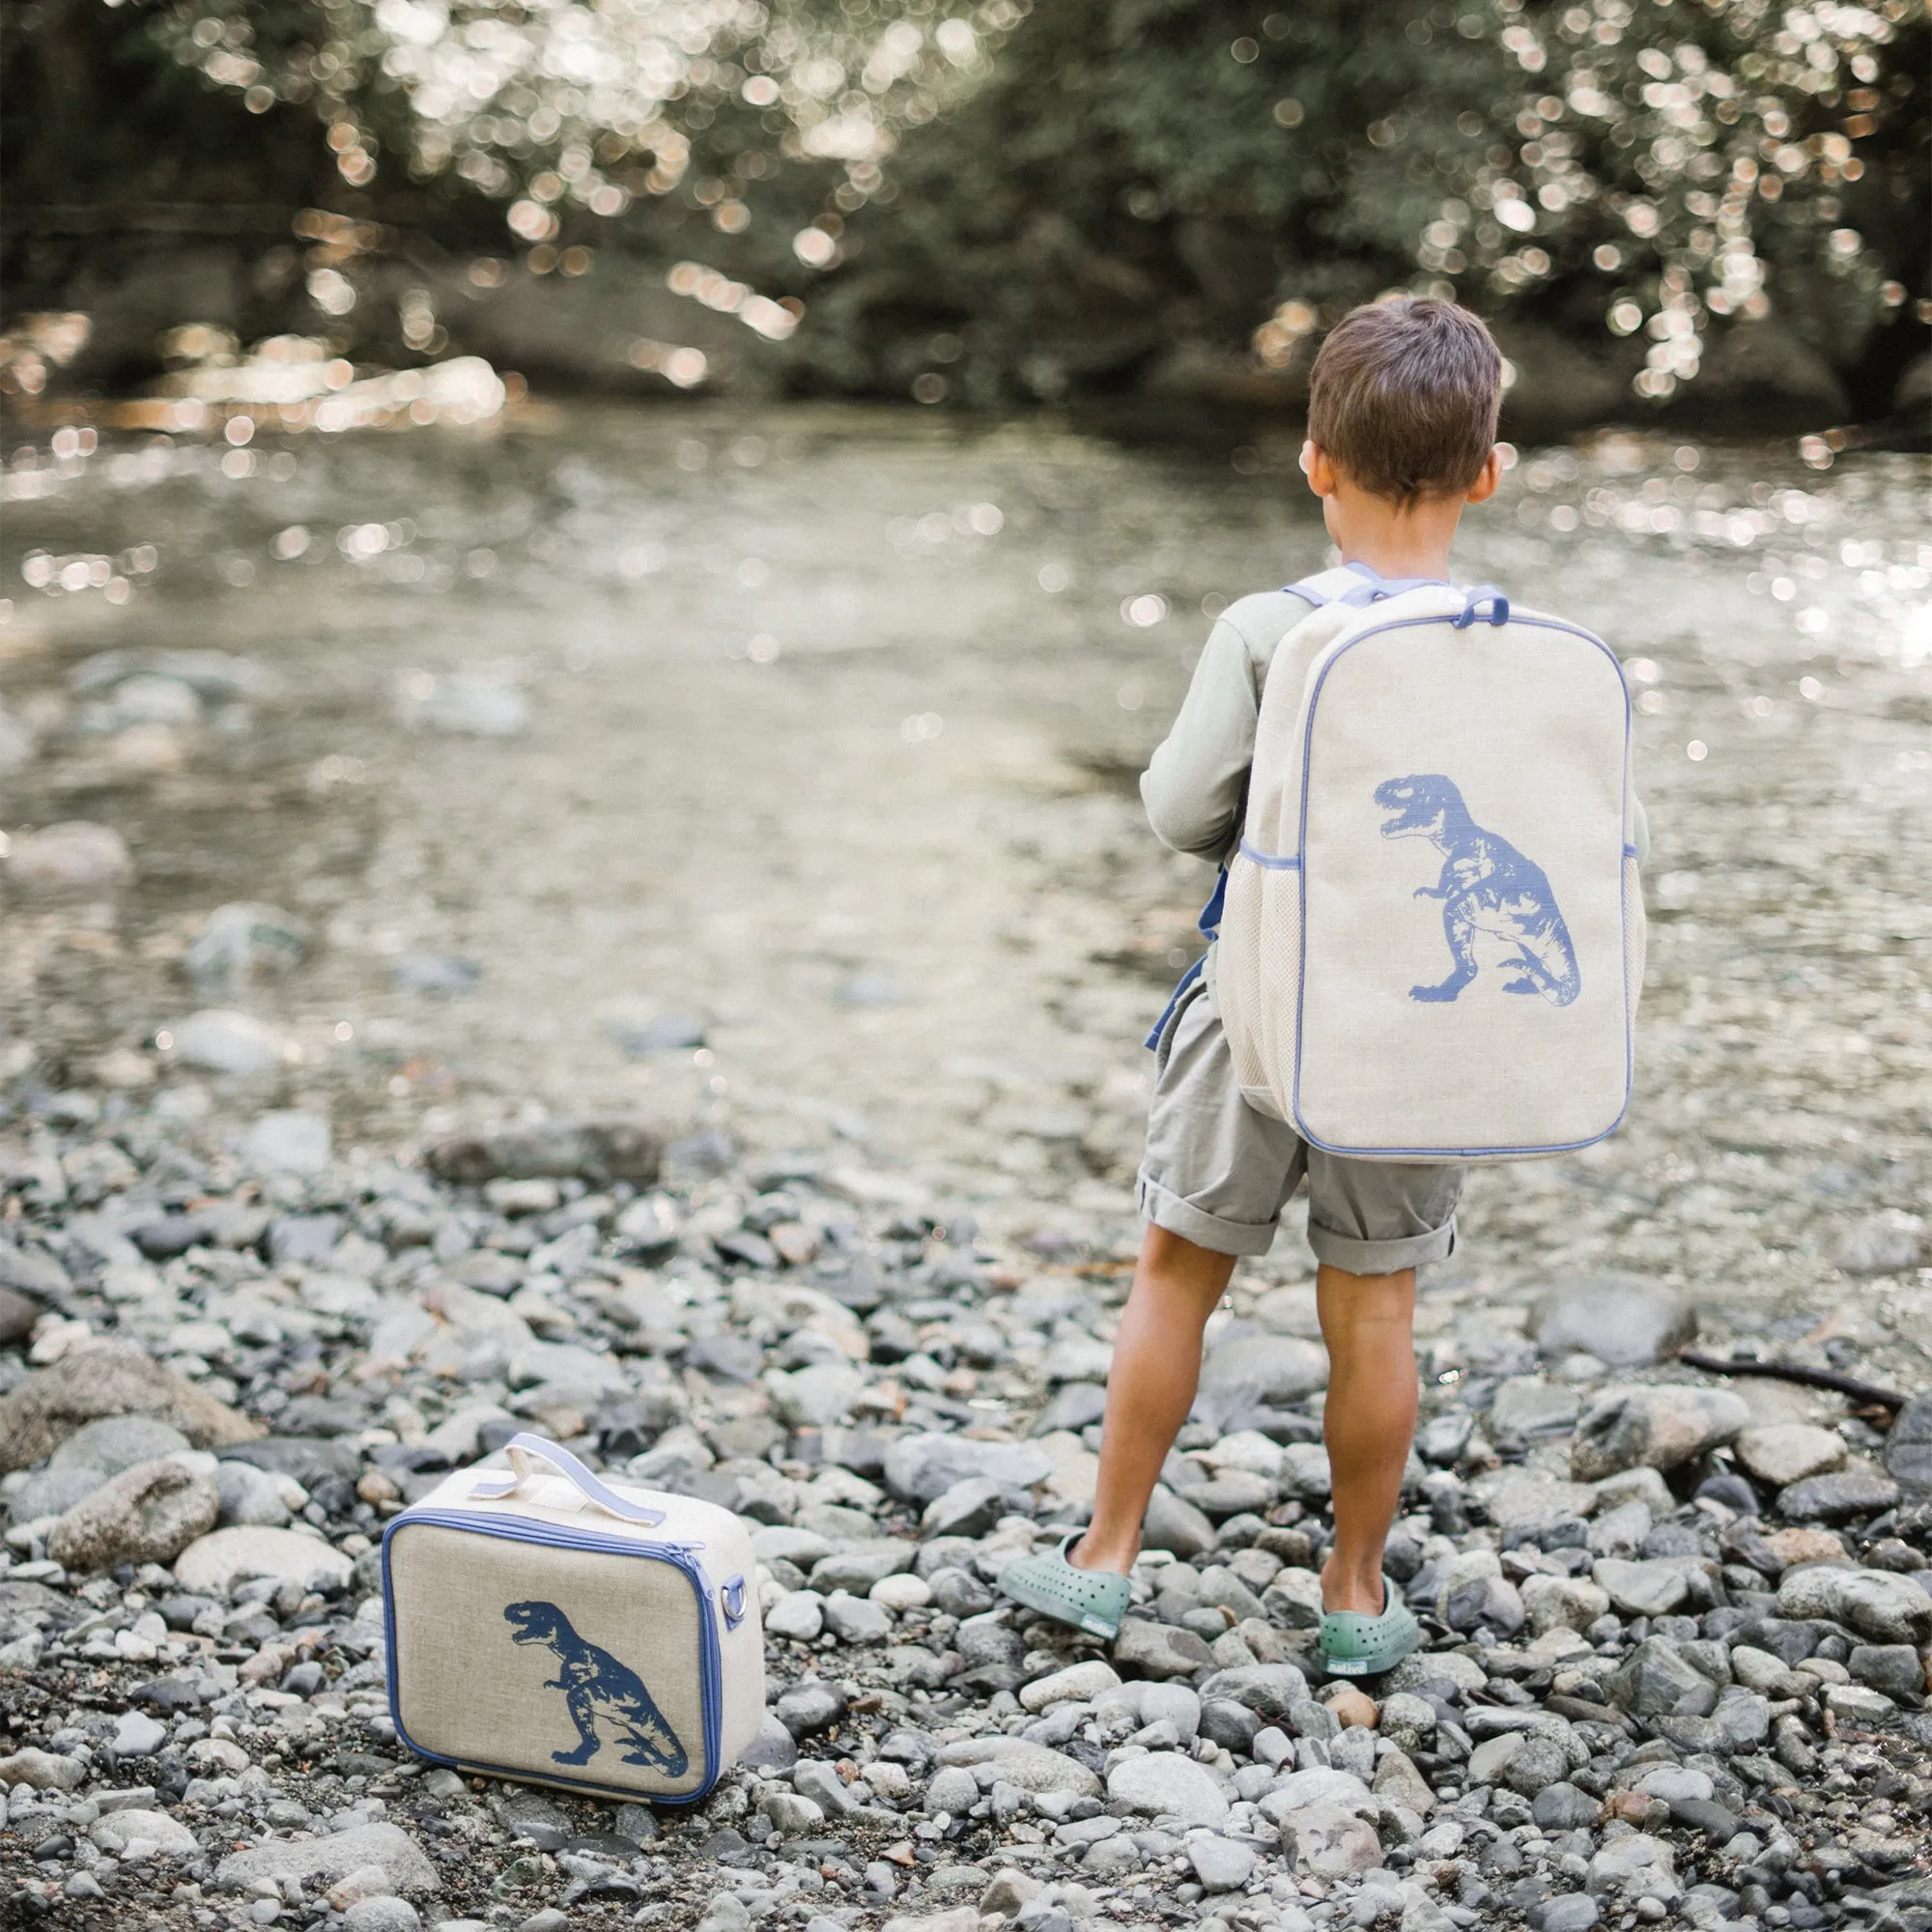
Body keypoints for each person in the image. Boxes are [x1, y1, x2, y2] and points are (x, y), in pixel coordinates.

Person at [999, 297, 1519, 1677]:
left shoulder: (1265, 629)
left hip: (1260, 1010)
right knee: (1377, 1305)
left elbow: (1179, 813)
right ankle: (1352, 1593)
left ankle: (1104, 1561)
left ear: (1312, 463)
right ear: (1488, 470)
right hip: (1419, 1032)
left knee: (1177, 1279)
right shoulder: (1510, 644)